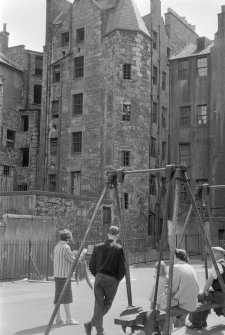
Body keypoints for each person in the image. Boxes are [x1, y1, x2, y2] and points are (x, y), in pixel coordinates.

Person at [84, 225, 126, 335]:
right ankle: (93, 326)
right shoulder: (119, 248)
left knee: (98, 305)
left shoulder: (98, 247)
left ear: (108, 234)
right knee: (107, 305)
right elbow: (122, 268)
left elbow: (91, 264)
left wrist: (97, 275)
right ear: (117, 236)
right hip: (112, 279)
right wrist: (118, 279)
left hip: (99, 277)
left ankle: (98, 330)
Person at [162, 248, 199, 335]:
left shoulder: (176, 267)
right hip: (193, 303)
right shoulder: (190, 267)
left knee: (164, 301)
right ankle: (177, 321)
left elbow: (172, 288)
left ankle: (166, 331)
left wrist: (164, 294)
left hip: (183, 304)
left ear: (176, 257)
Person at [186, 246, 225, 330]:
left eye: (213, 253)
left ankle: (196, 322)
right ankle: (202, 321)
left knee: (199, 296)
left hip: (220, 296)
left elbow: (209, 281)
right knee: (207, 298)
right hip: (222, 294)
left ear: (218, 255)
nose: (212, 256)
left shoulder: (217, 265)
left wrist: (203, 293)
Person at [53, 229, 79, 325]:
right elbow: (73, 261)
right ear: (68, 238)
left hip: (57, 275)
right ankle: (69, 318)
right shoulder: (66, 247)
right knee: (67, 297)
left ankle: (58, 318)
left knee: (58, 297)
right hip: (64, 276)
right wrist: (78, 255)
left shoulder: (57, 246)